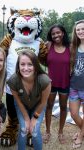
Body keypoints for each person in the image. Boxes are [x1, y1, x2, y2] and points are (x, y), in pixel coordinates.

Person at [7, 50, 51, 150]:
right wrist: (27, 119)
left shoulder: (45, 80)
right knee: (23, 129)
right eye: (22, 64)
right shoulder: (13, 80)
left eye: (30, 64)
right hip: (22, 105)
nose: (26, 68)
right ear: (18, 65)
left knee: (34, 131)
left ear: (35, 65)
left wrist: (34, 118)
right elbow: (18, 102)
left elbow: (43, 102)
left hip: (38, 106)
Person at [43, 24, 70, 144]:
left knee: (64, 108)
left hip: (65, 82)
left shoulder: (70, 46)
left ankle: (60, 132)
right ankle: (47, 132)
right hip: (50, 83)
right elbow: (40, 57)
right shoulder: (48, 45)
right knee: (49, 106)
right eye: (53, 34)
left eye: (58, 32)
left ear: (63, 33)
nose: (56, 35)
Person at [69, 19, 84, 149]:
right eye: (78, 29)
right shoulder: (73, 47)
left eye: (83, 29)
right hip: (73, 86)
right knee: (74, 113)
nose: (80, 31)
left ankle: (80, 136)